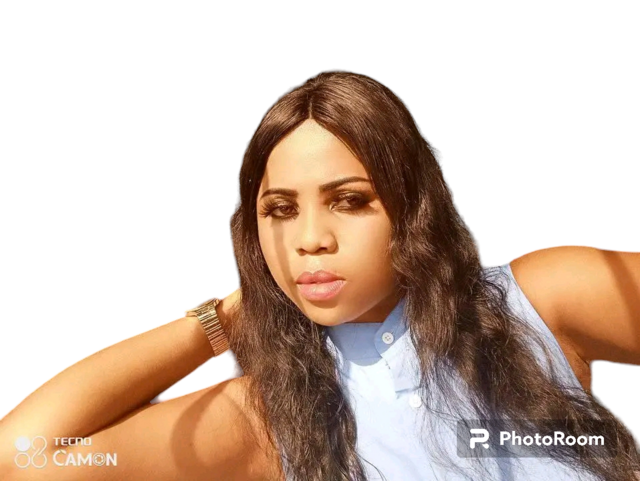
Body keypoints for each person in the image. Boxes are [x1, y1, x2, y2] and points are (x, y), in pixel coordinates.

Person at [1, 71, 639, 481]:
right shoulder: (277, 415)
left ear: (412, 205)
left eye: (350, 200)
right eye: (280, 210)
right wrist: (221, 321)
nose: (309, 239)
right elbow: (25, 457)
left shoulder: (539, 301)